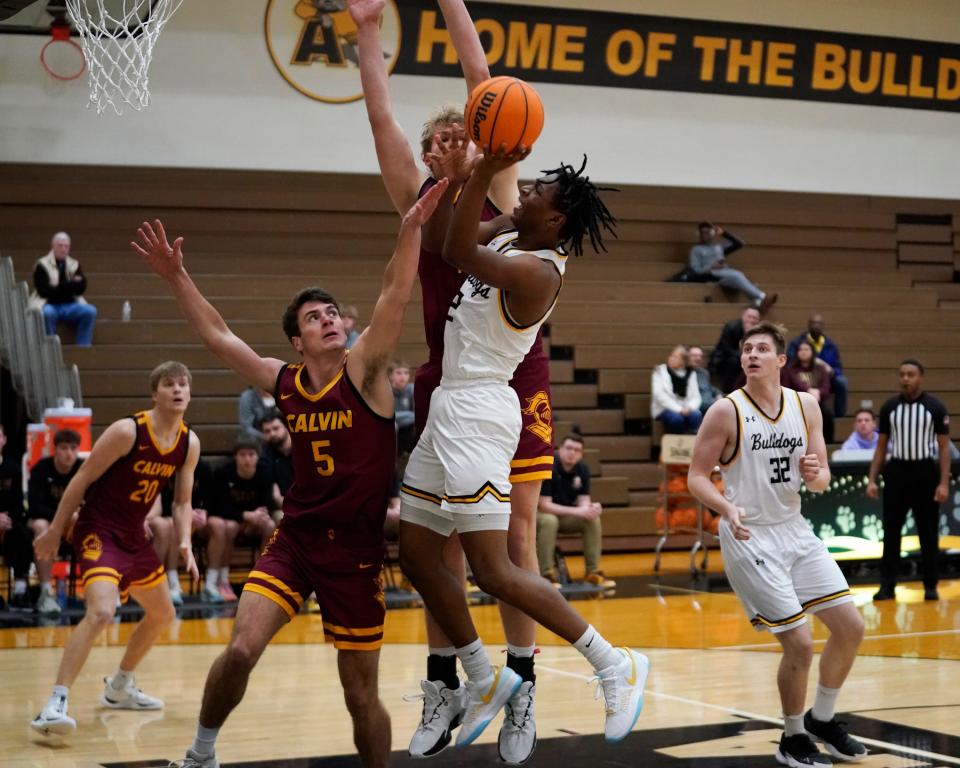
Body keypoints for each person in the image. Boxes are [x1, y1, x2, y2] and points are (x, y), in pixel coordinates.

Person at [136, 182, 447, 768]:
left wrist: (410, 229)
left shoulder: (366, 369)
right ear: (296, 341)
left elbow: (395, 293)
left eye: (332, 313)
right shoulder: (285, 382)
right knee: (241, 650)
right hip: (296, 541)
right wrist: (178, 277)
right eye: (314, 317)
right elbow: (220, 338)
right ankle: (201, 754)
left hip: (355, 554)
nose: (329, 320)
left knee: (360, 696)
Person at [350, 0, 561, 760]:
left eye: (458, 134)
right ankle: (447, 683)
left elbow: (485, 79)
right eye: (435, 138)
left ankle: (524, 688)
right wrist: (370, 32)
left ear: (481, 143)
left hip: (515, 378)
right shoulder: (419, 198)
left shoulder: (500, 192)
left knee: (512, 536)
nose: (443, 143)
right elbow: (381, 123)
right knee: (433, 545)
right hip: (444, 382)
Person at [397, 129, 648, 749]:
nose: (526, 190)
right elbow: (435, 241)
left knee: (495, 568)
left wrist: (478, 170)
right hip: (449, 402)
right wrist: (464, 180)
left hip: (482, 409)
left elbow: (458, 251)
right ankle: (481, 677)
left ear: (556, 218)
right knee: (417, 556)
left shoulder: (538, 271)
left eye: (537, 190)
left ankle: (612, 661)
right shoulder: (514, 233)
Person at [687, 321, 867, 767]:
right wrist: (725, 509)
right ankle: (792, 737)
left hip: (794, 528)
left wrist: (816, 475)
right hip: (749, 532)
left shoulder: (806, 405)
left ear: (781, 360)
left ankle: (822, 719)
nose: (752, 354)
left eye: (762, 349)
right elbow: (696, 477)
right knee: (801, 644)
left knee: (851, 627)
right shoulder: (726, 411)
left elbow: (822, 476)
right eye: (747, 348)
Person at [29, 361, 201, 736]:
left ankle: (120, 686)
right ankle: (54, 703)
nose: (178, 389)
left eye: (183, 384)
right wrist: (57, 530)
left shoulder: (189, 443)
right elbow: (82, 478)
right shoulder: (128, 431)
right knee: (103, 611)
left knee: (162, 613)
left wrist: (185, 541)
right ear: (154, 393)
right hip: (99, 530)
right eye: (169, 384)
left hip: (134, 537)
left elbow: (182, 503)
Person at [866, 359, 951, 603]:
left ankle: (930, 586)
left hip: (925, 472)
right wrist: (872, 478)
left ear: (920, 377)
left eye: (911, 374)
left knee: (928, 533)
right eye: (902, 374)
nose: (905, 378)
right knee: (891, 532)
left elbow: (944, 449)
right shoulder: (889, 407)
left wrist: (943, 483)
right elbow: (881, 447)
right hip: (897, 473)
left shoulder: (935, 407)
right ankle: (887, 586)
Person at [203, 436, 280, 602]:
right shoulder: (224, 472)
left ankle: (262, 577)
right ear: (235, 456)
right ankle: (219, 581)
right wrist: (245, 515)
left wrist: (259, 515)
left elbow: (268, 502)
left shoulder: (265, 472)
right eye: (243, 455)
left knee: (270, 525)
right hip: (229, 520)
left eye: (251, 454)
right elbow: (219, 507)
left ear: (257, 457)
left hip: (251, 522)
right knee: (228, 526)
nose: (247, 459)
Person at [536, 434, 614, 588]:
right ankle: (546, 574)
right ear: (559, 449)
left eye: (577, 450)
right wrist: (578, 511)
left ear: (582, 454)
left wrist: (591, 508)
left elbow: (583, 500)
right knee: (549, 521)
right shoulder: (550, 466)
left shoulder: (582, 469)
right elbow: (545, 505)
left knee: (592, 519)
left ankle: (593, 571)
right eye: (569, 448)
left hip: (563, 515)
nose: (572, 453)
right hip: (540, 514)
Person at [27, 427, 85, 614]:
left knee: (85, 522)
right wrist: (62, 519)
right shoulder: (41, 469)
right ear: (55, 449)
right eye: (64, 448)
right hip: (46, 522)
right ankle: (46, 592)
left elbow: (92, 503)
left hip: (73, 525)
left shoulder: (84, 470)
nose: (69, 453)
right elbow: (35, 508)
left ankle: (96, 590)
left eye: (73, 448)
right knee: (41, 526)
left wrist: (72, 518)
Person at [688, 222, 776, 313]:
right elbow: (695, 270)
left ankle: (758, 303)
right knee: (737, 276)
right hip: (713, 276)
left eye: (707, 232)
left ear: (712, 234)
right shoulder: (695, 250)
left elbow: (739, 243)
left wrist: (724, 233)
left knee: (740, 277)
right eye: (702, 232)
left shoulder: (718, 247)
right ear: (698, 234)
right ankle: (762, 297)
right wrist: (710, 267)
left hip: (727, 274)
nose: (705, 235)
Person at [29, 231, 98, 346]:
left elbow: (81, 288)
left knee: (90, 311)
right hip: (50, 305)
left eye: (66, 246)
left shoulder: (74, 264)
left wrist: (57, 286)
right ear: (53, 246)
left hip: (71, 305)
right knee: (46, 314)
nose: (63, 249)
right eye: (60, 246)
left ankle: (83, 347)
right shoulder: (42, 264)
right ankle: (49, 348)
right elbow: (44, 291)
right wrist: (70, 285)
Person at [788, 314, 848, 417]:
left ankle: (840, 416)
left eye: (819, 323)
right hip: (803, 374)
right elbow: (790, 362)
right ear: (808, 325)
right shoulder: (797, 343)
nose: (816, 326)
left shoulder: (831, 345)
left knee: (842, 381)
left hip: (825, 377)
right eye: (814, 323)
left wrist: (832, 371)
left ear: (823, 326)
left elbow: (838, 367)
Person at [0, 423, 30, 609]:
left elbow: (19, 503)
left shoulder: (13, 468)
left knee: (25, 535)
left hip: (8, 522)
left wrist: (7, 520)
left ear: (3, 440)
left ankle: (20, 590)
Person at [781, 340, 834, 443]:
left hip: (817, 402)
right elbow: (786, 387)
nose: (803, 352)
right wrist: (808, 391)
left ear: (812, 351)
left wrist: (818, 392)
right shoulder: (790, 369)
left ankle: (828, 443)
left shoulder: (820, 368)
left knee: (827, 414)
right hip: (796, 403)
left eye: (806, 349)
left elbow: (826, 388)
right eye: (800, 349)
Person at [651, 345, 702, 435]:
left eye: (676, 357)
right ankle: (677, 443)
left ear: (683, 361)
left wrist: (690, 407)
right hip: (665, 409)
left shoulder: (691, 373)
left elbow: (696, 397)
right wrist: (679, 409)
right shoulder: (660, 371)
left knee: (696, 415)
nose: (671, 358)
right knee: (677, 419)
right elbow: (659, 395)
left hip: (686, 408)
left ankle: (692, 443)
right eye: (671, 356)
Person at [708, 306, 760, 394]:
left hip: (746, 357)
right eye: (749, 316)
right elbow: (725, 348)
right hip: (725, 357)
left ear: (758, 321)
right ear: (743, 316)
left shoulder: (759, 332)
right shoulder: (731, 327)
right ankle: (729, 391)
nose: (751, 320)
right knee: (735, 362)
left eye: (754, 318)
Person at [259, 410, 294, 497]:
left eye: (276, 428)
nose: (272, 434)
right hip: (282, 505)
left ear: (286, 426)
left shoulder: (303, 448)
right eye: (267, 431)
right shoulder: (264, 455)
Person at [390, 361, 416, 456]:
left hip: (408, 429)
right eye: (398, 373)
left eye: (406, 373)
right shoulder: (386, 390)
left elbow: (418, 415)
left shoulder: (412, 389)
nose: (403, 376)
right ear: (390, 375)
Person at [688, 345, 721, 415]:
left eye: (700, 356)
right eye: (695, 356)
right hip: (700, 406)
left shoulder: (704, 372)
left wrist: (718, 394)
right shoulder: (682, 374)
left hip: (711, 404)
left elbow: (709, 387)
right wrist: (716, 404)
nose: (698, 358)